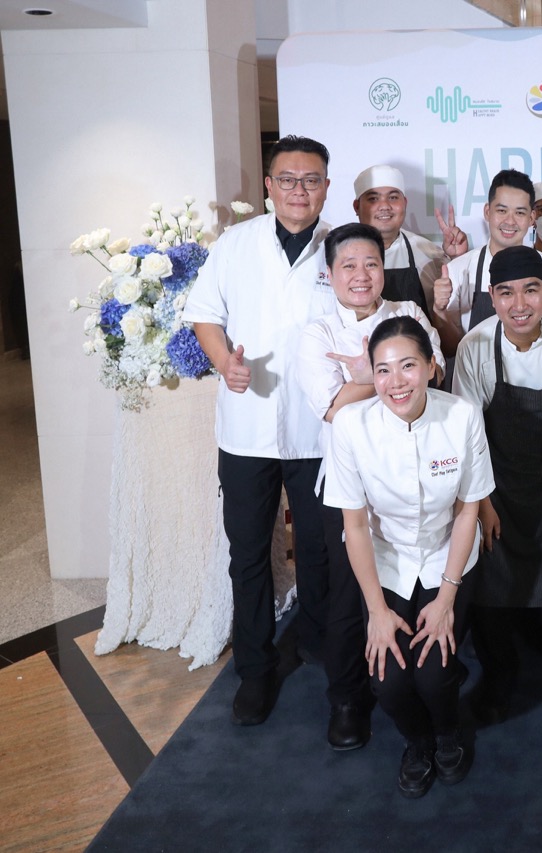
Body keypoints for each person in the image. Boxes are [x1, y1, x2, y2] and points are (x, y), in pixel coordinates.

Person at [185, 134, 335, 727]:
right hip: (246, 430)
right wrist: (226, 363)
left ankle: (321, 644)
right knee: (247, 553)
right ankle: (255, 669)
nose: (300, 190)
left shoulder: (341, 247)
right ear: (269, 186)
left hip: (319, 428)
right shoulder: (236, 244)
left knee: (320, 548)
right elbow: (204, 315)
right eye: (288, 179)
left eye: (312, 180)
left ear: (326, 187)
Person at [325, 316, 494, 798]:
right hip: (387, 561)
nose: (395, 382)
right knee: (388, 679)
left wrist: (446, 599)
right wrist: (377, 612)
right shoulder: (351, 425)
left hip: (447, 555)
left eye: (407, 366)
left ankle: (447, 732)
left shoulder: (462, 416)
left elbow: (468, 512)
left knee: (435, 674)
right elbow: (355, 526)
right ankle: (417, 741)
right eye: (382, 370)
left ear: (431, 366)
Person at [293, 222, 444, 749]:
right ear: (330, 273)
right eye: (349, 266)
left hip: (418, 471)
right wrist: (378, 376)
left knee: (408, 582)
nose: (361, 275)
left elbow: (434, 375)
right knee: (347, 594)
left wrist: (363, 377)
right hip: (351, 481)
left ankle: (415, 682)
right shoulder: (317, 333)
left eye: (371, 264)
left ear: (385, 267)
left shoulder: (409, 313)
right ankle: (347, 699)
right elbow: (333, 410)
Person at [452, 246, 542, 723]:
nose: (520, 305)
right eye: (506, 293)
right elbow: (468, 436)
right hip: (495, 483)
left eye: (531, 290)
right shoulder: (474, 346)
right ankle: (500, 674)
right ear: (492, 296)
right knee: (491, 577)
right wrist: (483, 504)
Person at [351, 163, 469, 354]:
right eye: (373, 198)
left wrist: (458, 261)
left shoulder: (430, 256)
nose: (384, 206)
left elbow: (450, 345)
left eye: (393, 197)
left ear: (404, 203)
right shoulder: (339, 255)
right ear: (357, 206)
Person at [434, 169, 542, 337]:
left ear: (531, 218)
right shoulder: (458, 270)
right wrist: (439, 310)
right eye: (502, 211)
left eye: (519, 213)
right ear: (487, 212)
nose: (510, 221)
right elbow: (452, 346)